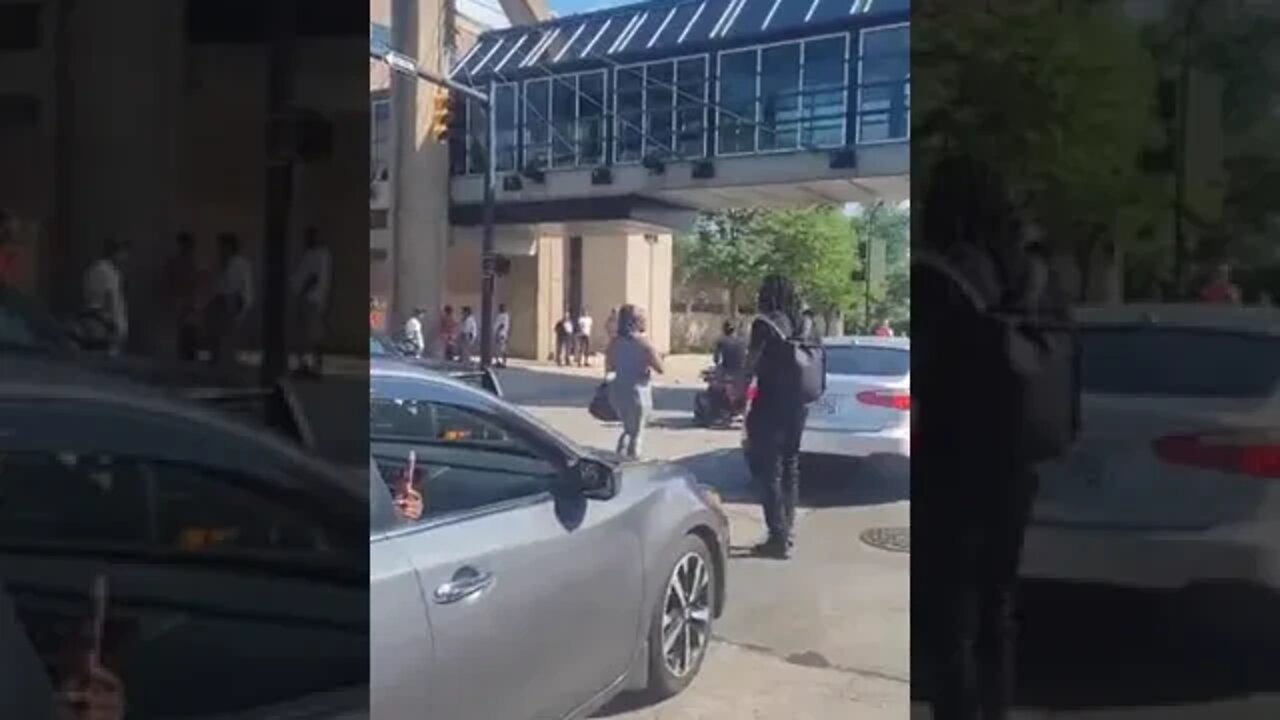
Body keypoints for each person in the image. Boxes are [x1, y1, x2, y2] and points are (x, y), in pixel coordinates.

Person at [913, 153, 1074, 720]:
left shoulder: (940, 274)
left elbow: (931, 372)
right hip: (1013, 458)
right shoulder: (1032, 272)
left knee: (948, 619)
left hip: (950, 462)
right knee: (996, 609)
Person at [740, 275, 808, 560]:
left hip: (769, 404)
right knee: (790, 467)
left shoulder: (764, 324)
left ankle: (777, 536)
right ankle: (786, 530)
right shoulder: (806, 323)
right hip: (798, 405)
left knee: (768, 470)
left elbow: (750, 364)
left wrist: (738, 390)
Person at [605, 305, 663, 458]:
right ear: (635, 322)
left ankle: (618, 458)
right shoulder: (644, 343)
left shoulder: (614, 343)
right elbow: (660, 367)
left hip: (618, 391)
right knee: (637, 434)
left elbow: (610, 367)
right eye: (642, 319)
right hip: (639, 392)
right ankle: (634, 463)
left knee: (627, 430)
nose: (645, 321)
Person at [290, 226, 332, 375]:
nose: (307, 240)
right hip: (308, 299)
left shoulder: (320, 254)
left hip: (310, 300)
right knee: (303, 334)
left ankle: (315, 366)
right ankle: (305, 365)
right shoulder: (311, 254)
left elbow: (313, 278)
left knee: (313, 335)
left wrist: (302, 291)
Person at [208, 232, 253, 368]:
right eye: (220, 246)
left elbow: (246, 286)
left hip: (233, 299)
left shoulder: (241, 263)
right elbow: (215, 284)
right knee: (216, 332)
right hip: (220, 300)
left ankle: (227, 363)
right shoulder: (219, 262)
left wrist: (243, 304)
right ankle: (216, 361)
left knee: (229, 335)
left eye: (224, 246)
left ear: (231, 246)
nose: (221, 249)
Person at [159, 233, 206, 362]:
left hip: (192, 304)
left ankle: (189, 357)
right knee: (184, 333)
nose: (188, 247)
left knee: (192, 333)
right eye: (186, 244)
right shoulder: (174, 263)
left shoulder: (196, 263)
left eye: (190, 245)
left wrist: (198, 301)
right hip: (181, 303)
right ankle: (184, 357)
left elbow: (201, 283)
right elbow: (167, 283)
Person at [82, 239, 131, 355]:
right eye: (124, 253)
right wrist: (114, 326)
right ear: (117, 252)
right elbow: (110, 299)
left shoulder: (101, 269)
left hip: (103, 324)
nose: (126, 258)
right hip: (105, 326)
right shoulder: (106, 271)